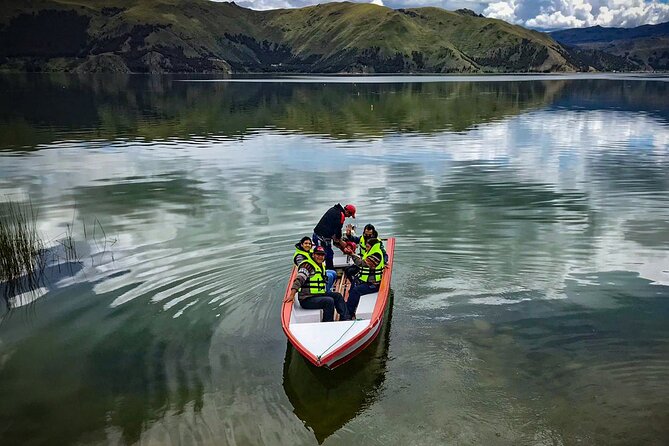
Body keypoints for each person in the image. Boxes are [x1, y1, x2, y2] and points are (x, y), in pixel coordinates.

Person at [285, 246, 350, 322]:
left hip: (318, 295)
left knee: (337, 296)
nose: (320, 257)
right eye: (318, 254)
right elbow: (299, 279)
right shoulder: (307, 266)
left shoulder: (320, 265)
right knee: (329, 301)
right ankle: (328, 323)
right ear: (313, 255)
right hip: (307, 299)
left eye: (322, 255)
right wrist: (292, 295)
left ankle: (345, 318)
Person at [346, 238, 385, 319]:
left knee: (356, 291)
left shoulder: (376, 255)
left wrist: (352, 254)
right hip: (366, 281)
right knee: (354, 282)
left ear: (373, 246)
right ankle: (350, 305)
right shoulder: (371, 252)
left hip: (373, 284)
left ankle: (348, 313)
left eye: (367, 247)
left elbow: (361, 263)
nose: (366, 248)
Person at [312, 203, 356, 270]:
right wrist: (342, 243)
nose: (349, 217)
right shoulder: (341, 215)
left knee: (329, 254)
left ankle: (330, 271)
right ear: (347, 211)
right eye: (350, 215)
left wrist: (339, 243)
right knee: (320, 255)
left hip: (325, 238)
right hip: (320, 237)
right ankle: (318, 271)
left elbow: (332, 229)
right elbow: (337, 231)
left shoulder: (335, 210)